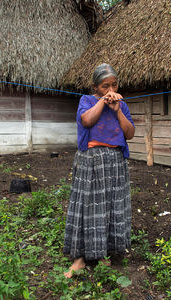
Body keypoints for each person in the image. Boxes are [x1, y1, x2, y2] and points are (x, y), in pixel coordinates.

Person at [63, 63, 135, 278]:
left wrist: (117, 110)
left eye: (114, 85)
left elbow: (130, 133)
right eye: (106, 86)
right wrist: (103, 103)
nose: (111, 90)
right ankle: (80, 258)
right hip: (91, 160)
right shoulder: (86, 101)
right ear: (95, 87)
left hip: (115, 162)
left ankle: (106, 253)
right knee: (87, 206)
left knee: (112, 207)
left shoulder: (121, 105)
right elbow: (86, 121)